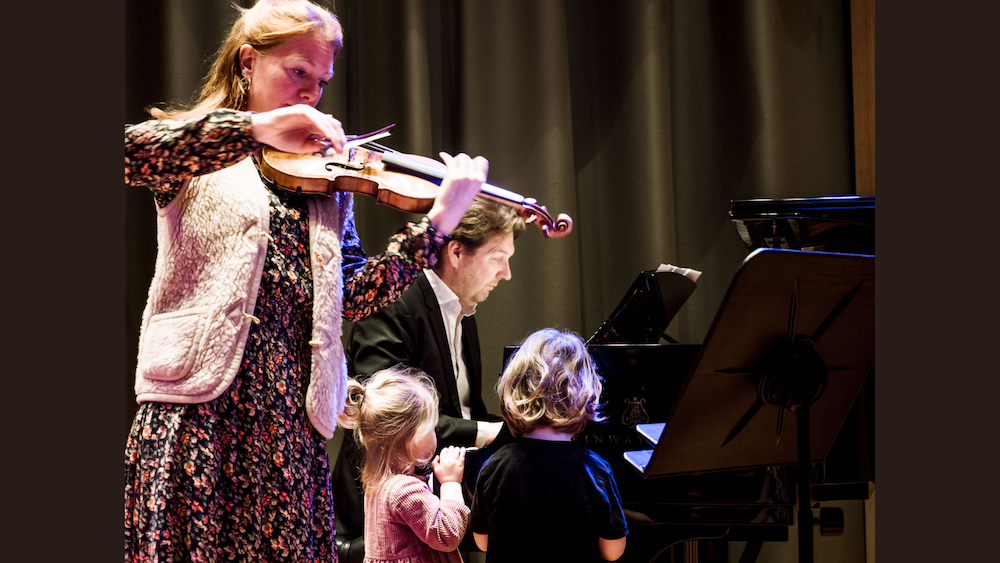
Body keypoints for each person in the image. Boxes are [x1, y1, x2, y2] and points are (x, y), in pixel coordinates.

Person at [123, 1, 487, 561]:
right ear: (248, 62)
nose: (311, 94)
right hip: (199, 415)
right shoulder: (198, 150)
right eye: (299, 73)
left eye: (321, 82)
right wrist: (257, 128)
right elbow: (133, 152)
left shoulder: (328, 185)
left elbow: (357, 294)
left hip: (288, 427)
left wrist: (439, 223)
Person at [332, 197, 525, 555]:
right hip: (384, 512)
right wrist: (502, 433)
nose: (506, 273)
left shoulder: (462, 306)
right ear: (455, 252)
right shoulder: (391, 303)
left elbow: (465, 411)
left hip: (437, 485)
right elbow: (390, 420)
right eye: (499, 258)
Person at [470, 328, 628, 563]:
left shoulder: (495, 466)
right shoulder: (594, 469)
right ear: (585, 394)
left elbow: (482, 542)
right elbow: (612, 551)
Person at [337, 367, 470, 563]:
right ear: (411, 438)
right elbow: (446, 535)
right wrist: (451, 482)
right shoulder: (405, 490)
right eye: (431, 428)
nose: (435, 434)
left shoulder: (380, 484)